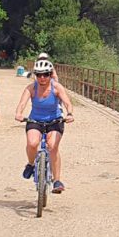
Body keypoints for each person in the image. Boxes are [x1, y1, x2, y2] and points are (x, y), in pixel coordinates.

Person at [14, 60, 74, 193]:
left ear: (50, 74)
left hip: (55, 121)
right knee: (32, 142)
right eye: (39, 75)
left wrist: (69, 114)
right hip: (35, 120)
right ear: (35, 75)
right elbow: (22, 103)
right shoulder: (31, 88)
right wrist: (18, 113)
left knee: (53, 146)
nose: (42, 78)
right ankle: (31, 164)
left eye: (46, 74)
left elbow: (67, 103)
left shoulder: (57, 87)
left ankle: (57, 180)